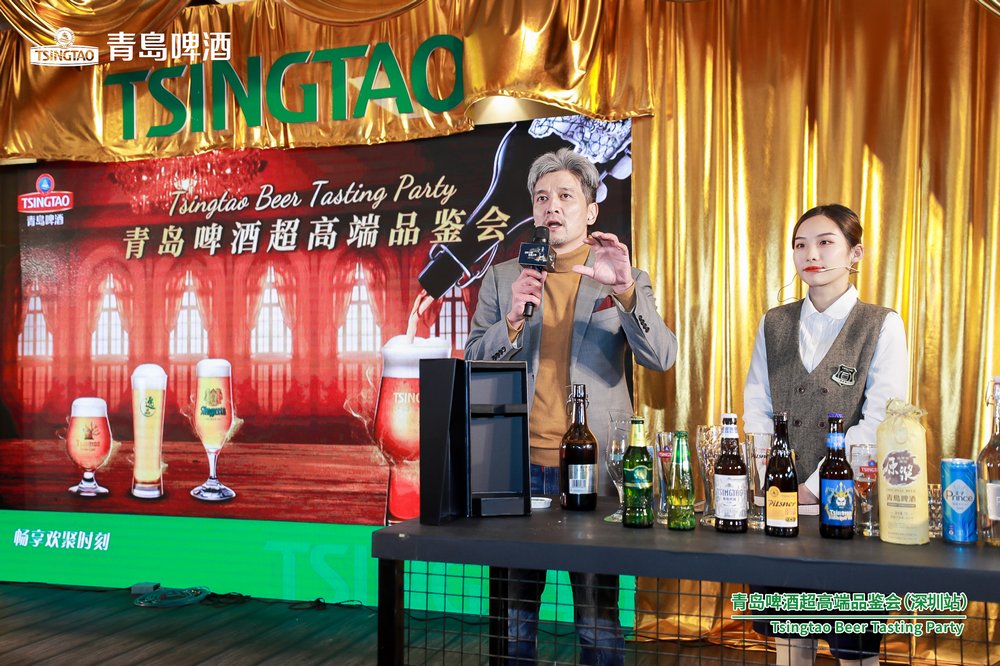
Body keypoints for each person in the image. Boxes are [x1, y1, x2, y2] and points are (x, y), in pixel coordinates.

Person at [465, 147, 677, 665]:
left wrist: (625, 291)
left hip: (592, 468)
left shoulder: (621, 274)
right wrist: (512, 320)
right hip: (516, 468)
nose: (552, 206)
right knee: (511, 617)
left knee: (597, 618)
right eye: (542, 198)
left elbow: (662, 357)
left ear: (591, 209)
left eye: (565, 196)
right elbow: (472, 361)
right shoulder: (504, 278)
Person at [743, 203, 908, 666]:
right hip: (781, 505)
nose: (810, 254)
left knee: (855, 648)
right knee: (789, 640)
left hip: (848, 507)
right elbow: (758, 407)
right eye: (800, 245)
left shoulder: (881, 324)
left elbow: (880, 422)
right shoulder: (774, 323)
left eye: (825, 242)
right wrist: (775, 481)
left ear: (856, 253)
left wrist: (814, 489)